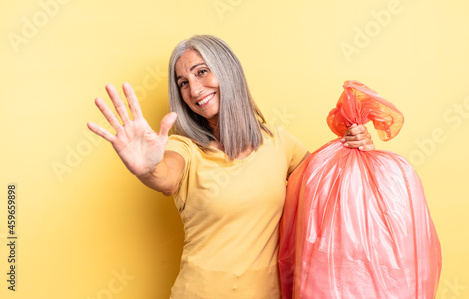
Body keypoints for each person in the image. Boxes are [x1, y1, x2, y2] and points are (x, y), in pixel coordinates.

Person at [87, 35, 374, 299]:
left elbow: (328, 188)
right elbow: (165, 176)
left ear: (228, 71)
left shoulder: (278, 142)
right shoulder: (183, 148)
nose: (194, 89)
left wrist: (356, 146)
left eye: (201, 71)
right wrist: (148, 168)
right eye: (182, 82)